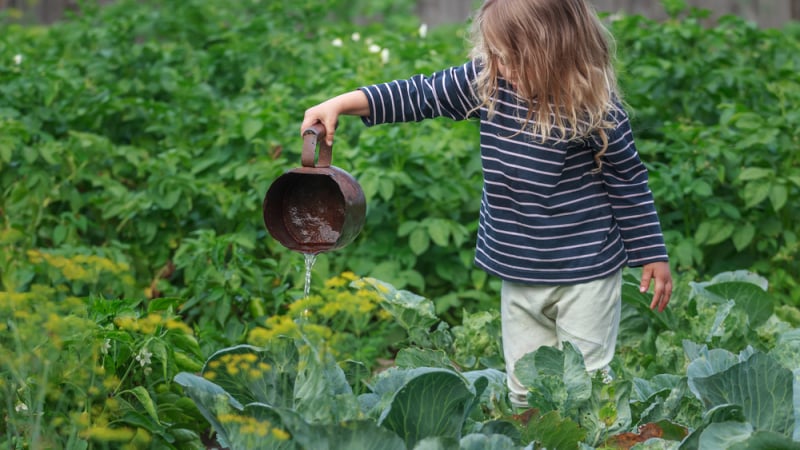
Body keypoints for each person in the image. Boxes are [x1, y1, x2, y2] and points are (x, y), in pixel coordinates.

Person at [300, 0, 673, 408]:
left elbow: (627, 179)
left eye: (511, 58)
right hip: (517, 267)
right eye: (494, 54)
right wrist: (340, 104)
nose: (499, 66)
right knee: (524, 391)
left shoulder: (593, 104)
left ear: (555, 53)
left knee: (587, 387)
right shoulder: (490, 83)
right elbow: (420, 94)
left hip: (587, 271)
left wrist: (651, 253)